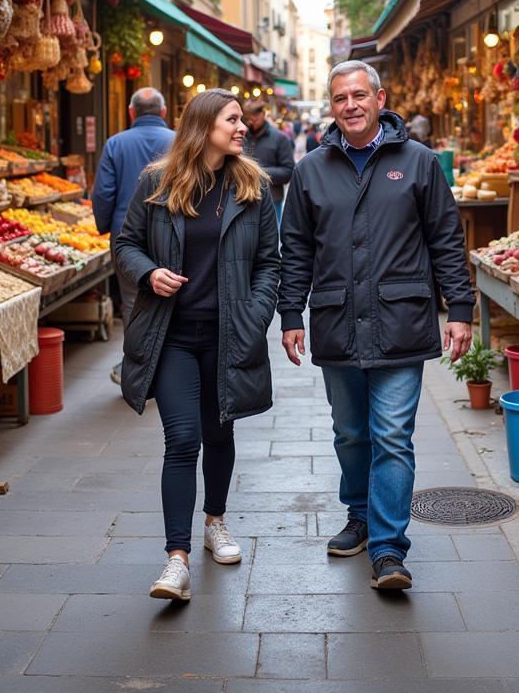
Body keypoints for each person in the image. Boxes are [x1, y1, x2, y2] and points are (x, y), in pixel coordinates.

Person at [279, 61, 474, 591]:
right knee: (350, 432)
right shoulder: (310, 170)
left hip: (401, 320)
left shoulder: (418, 163)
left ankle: (389, 549)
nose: (351, 106)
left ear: (380, 98)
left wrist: (460, 308)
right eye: (340, 98)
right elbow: (294, 248)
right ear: (332, 106)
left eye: (360, 95)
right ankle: (359, 514)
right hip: (337, 319)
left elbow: (446, 240)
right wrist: (291, 313)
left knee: (392, 435)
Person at [115, 89, 280, 602]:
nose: (241, 128)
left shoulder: (254, 187)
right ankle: (176, 560)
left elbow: (270, 263)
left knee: (220, 431)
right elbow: (124, 245)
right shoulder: (156, 182)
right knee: (183, 439)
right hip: (172, 336)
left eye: (240, 121)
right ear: (203, 126)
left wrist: (254, 315)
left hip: (229, 334)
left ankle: (215, 521)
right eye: (232, 120)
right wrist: (148, 273)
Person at [91, 88, 175, 386]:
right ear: (163, 112)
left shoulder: (116, 144)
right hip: (174, 235)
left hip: (127, 237)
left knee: (131, 302)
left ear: (131, 112)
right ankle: (171, 364)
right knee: (174, 297)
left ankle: (142, 369)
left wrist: (104, 228)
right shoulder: (180, 141)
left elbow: (103, 193)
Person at [242, 98, 294, 227]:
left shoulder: (280, 138)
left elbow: (288, 171)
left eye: (255, 116)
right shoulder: (241, 137)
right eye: (248, 117)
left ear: (263, 114)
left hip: (272, 199)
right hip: (243, 198)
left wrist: (258, 173)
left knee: (271, 239)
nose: (251, 121)